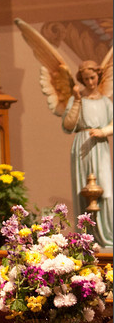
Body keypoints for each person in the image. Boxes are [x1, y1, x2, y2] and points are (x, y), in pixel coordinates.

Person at [62, 60, 113, 249]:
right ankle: (87, 238)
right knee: (82, 190)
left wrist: (104, 132)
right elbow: (68, 125)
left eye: (92, 78)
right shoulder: (77, 99)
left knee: (105, 190)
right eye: (86, 79)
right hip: (82, 144)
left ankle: (107, 236)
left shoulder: (106, 102)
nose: (90, 82)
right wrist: (76, 100)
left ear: (98, 76)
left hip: (100, 145)